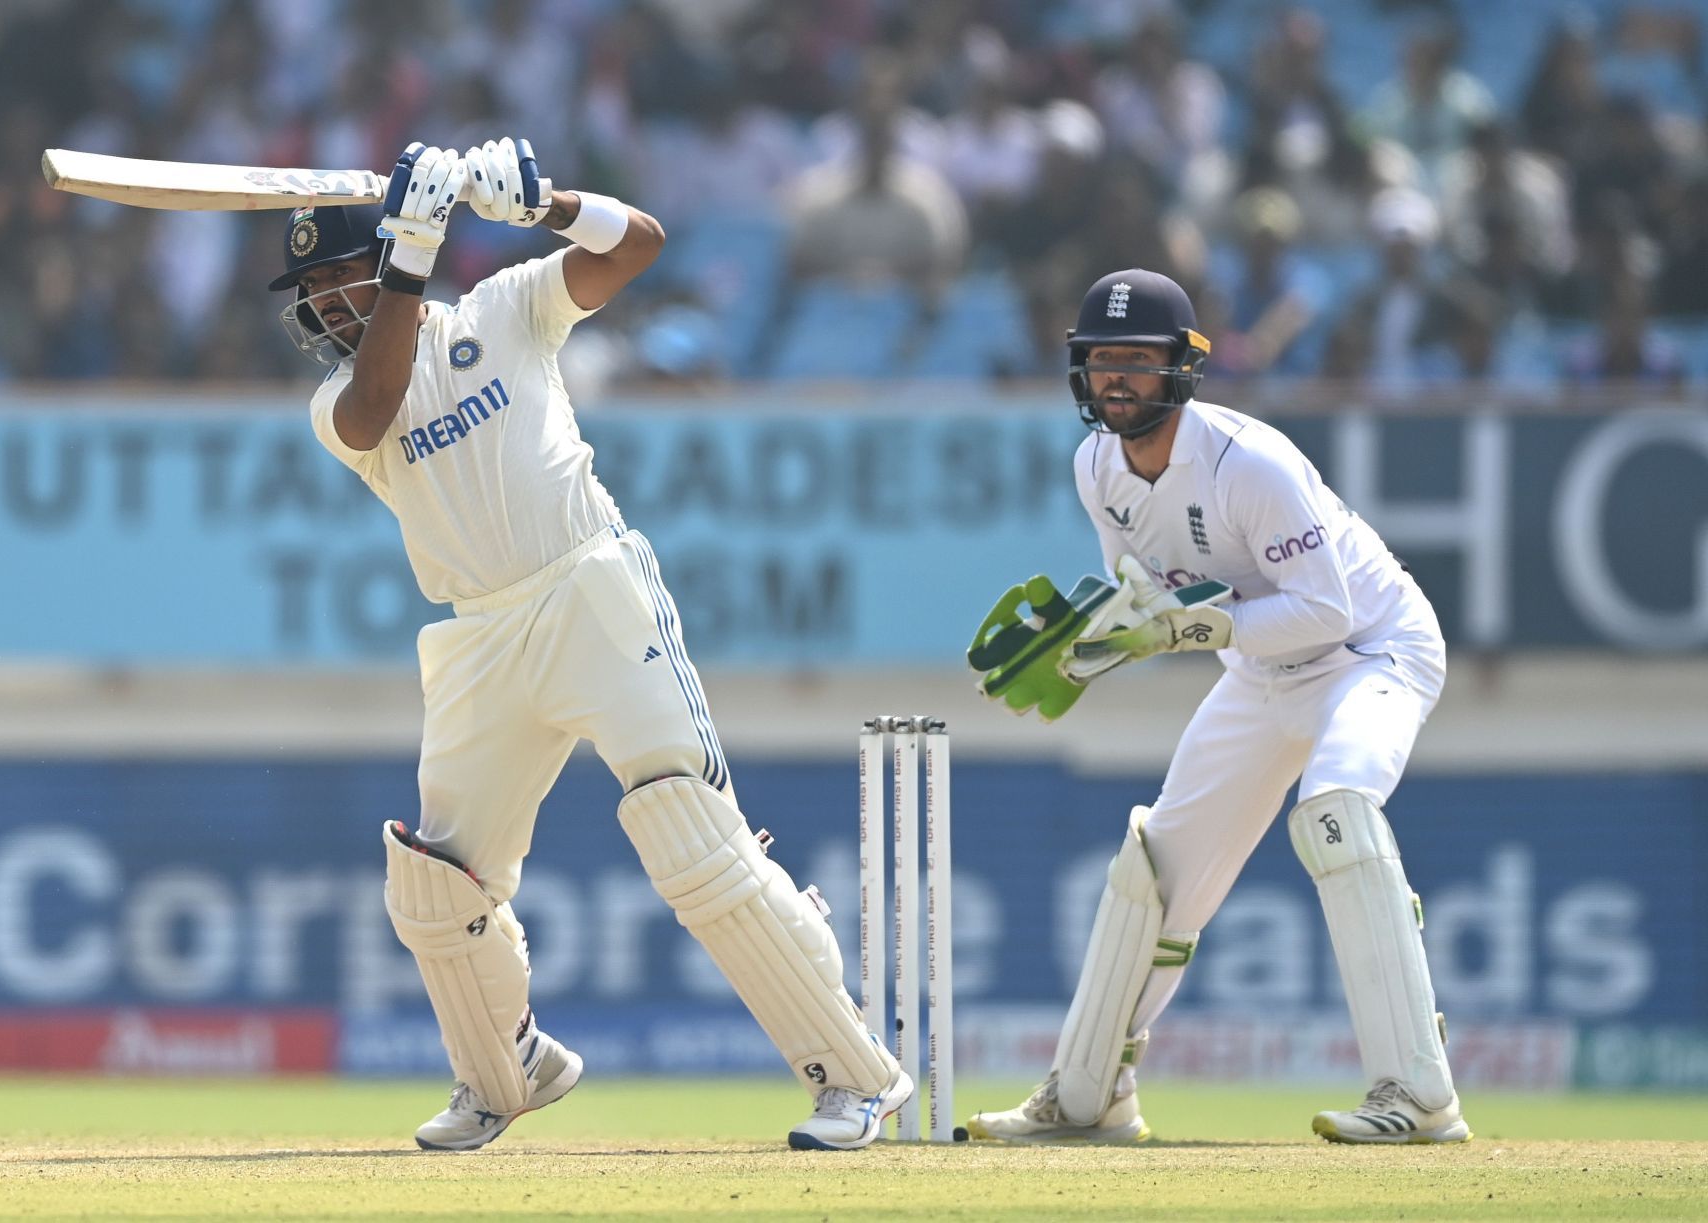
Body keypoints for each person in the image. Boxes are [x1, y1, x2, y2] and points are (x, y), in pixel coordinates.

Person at [269, 137, 909, 1151]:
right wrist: (408, 256)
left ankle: (856, 1079)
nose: (321, 306)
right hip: (480, 633)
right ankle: (504, 1070)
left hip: (589, 590)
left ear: (374, 261)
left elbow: (639, 246)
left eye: (332, 278)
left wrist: (545, 202)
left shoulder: (502, 309)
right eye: (312, 290)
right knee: (437, 880)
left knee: (693, 840)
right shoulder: (336, 402)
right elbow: (376, 408)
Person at [966, 269, 1470, 1146]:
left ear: (1182, 370)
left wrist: (1185, 631)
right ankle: (1088, 1097)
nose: (1117, 378)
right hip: (1257, 668)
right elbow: (1149, 597)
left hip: (1371, 652)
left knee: (1335, 813)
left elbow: (1326, 609)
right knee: (1155, 866)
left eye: (1139, 360)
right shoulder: (1096, 467)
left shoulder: (1252, 463)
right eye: (1101, 360)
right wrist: (1096, 644)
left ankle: (1420, 1094)